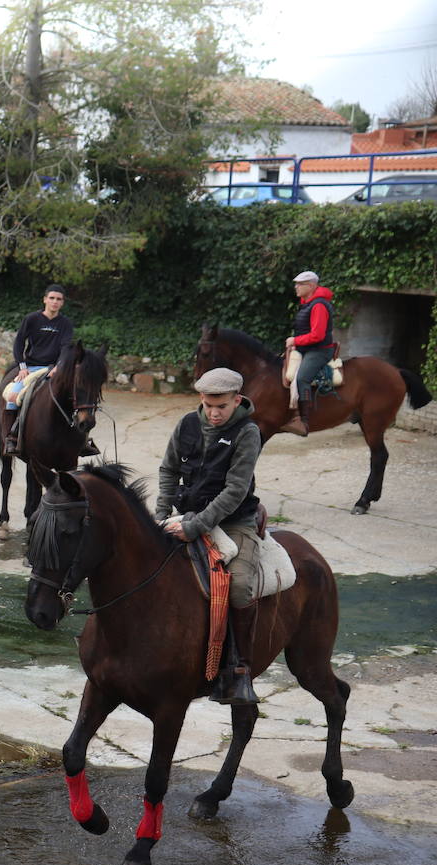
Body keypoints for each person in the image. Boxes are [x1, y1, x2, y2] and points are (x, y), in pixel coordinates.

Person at [154, 367, 263, 705]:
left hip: (234, 522)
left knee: (241, 584)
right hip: (185, 514)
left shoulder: (248, 432)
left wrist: (196, 526)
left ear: (237, 400)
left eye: (223, 407)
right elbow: (168, 469)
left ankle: (240, 670)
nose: (214, 414)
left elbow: (234, 490)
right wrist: (160, 515)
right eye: (209, 405)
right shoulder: (187, 423)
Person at [3, 284, 97, 457]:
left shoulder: (65, 324)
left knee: (80, 395)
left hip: (55, 369)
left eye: (59, 299)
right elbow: (18, 344)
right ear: (45, 299)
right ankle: (11, 436)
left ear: (62, 303)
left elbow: (65, 348)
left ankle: (83, 441)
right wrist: (22, 367)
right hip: (31, 368)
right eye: (52, 298)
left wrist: (58, 367)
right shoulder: (31, 319)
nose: (55, 302)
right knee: (13, 396)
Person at [283, 269, 335, 437]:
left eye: (300, 284)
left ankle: (304, 421)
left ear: (311, 286)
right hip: (306, 348)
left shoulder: (318, 305)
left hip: (319, 351)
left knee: (302, 378)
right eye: (296, 284)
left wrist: (295, 341)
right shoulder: (308, 302)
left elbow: (318, 335)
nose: (296, 287)